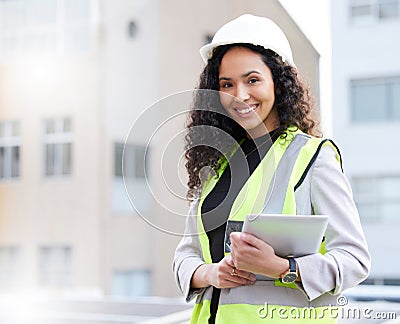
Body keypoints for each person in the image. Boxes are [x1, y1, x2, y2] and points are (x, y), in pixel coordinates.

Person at [173, 14, 370, 323]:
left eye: (252, 80)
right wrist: (211, 273)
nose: (240, 95)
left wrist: (283, 268)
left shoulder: (313, 158)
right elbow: (185, 255)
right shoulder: (219, 165)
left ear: (278, 82)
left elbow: (355, 260)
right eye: (227, 84)